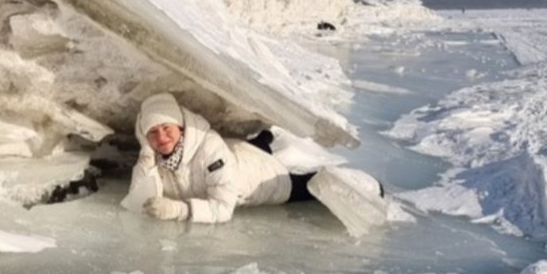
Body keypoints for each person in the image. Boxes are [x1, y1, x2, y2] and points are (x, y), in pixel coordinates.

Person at [121, 92, 387, 234]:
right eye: (152, 132)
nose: (161, 137)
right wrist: (145, 152)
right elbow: (137, 200)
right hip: (236, 150)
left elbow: (222, 210)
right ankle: (265, 137)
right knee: (251, 146)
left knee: (306, 187)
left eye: (166, 127)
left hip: (256, 177)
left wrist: (178, 211)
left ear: (181, 125)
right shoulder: (156, 150)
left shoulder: (210, 149)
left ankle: (369, 183)